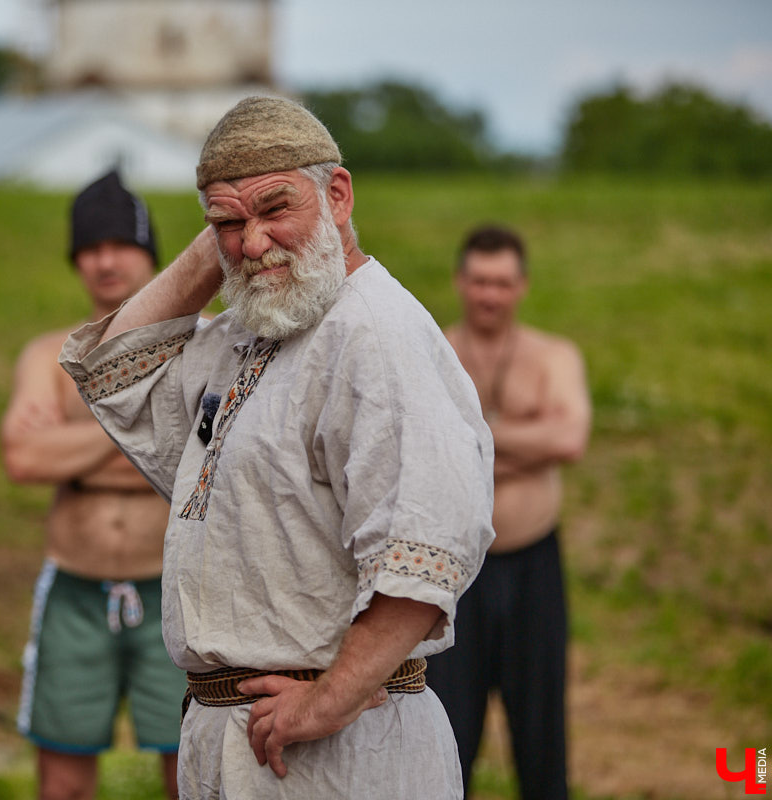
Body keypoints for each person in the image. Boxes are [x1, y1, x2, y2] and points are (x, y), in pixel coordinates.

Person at [58, 95, 496, 799]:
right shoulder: (250, 329)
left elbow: (427, 550)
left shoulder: (374, 336)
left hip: (335, 756)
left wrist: (329, 701)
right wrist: (230, 230)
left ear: (339, 195)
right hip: (241, 746)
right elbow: (115, 371)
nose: (253, 243)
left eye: (275, 208)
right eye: (228, 222)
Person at [1, 170, 182, 800]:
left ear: (149, 254)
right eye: (89, 248)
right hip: (75, 587)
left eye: (119, 245)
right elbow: (22, 459)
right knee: (62, 781)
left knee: (191, 771)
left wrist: (72, 445)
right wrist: (133, 430)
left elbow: (201, 456)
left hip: (176, 590)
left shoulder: (192, 347)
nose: (105, 260)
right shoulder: (49, 355)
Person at [426, 224, 591, 799]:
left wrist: (473, 440)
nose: (488, 295)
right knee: (447, 724)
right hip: (454, 568)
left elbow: (569, 438)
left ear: (520, 286)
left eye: (501, 283)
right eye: (478, 281)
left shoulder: (553, 356)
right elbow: (421, 449)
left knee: (542, 728)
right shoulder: (433, 353)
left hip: (533, 564)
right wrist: (528, 441)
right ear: (460, 282)